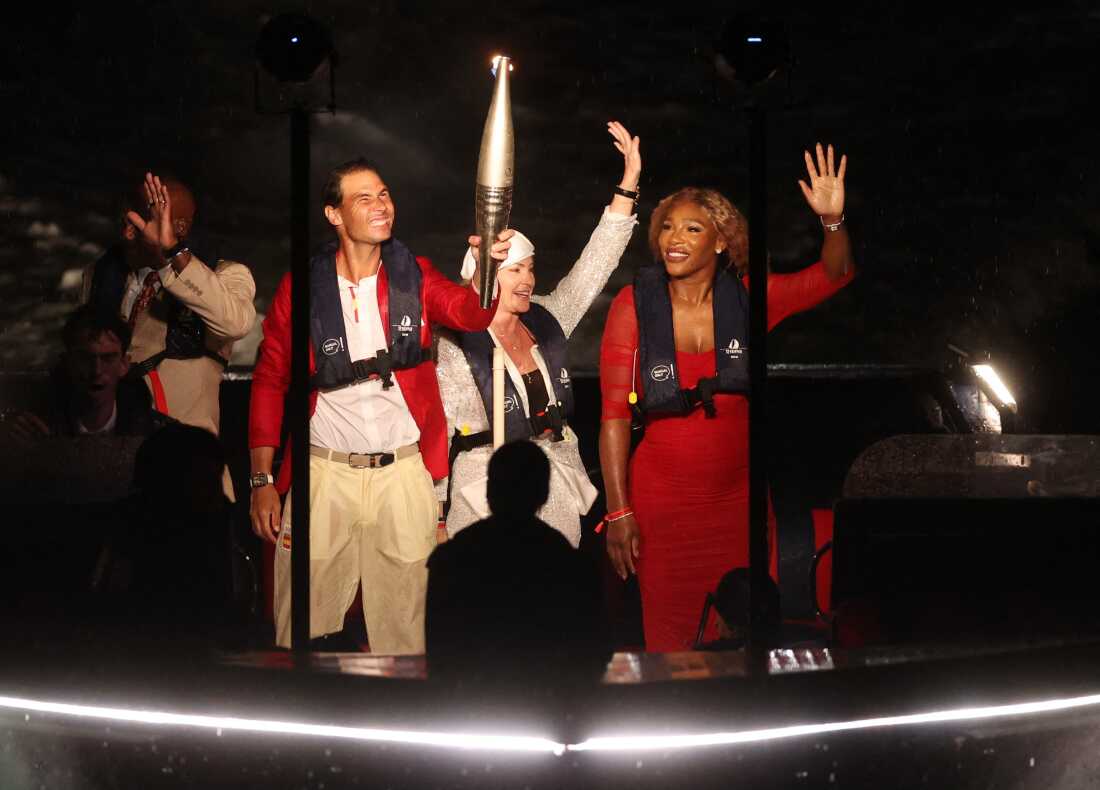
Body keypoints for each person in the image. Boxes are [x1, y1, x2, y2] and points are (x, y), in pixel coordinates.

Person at [248, 158, 512, 653]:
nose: (380, 205)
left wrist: (488, 270)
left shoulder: (415, 275)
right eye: (364, 198)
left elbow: (471, 314)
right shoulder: (300, 289)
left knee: (408, 631)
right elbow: (268, 379)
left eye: (385, 194)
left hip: (402, 476)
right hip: (323, 476)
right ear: (334, 214)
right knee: (301, 626)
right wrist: (263, 479)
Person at [599, 143, 856, 652]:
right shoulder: (634, 305)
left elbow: (835, 274)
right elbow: (611, 416)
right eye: (668, 227)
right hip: (662, 506)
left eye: (692, 229)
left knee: (742, 640)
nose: (675, 239)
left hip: (737, 507)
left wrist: (833, 220)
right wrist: (618, 513)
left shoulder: (748, 299)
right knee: (671, 647)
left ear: (720, 242)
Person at [436, 121, 642, 547]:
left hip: (553, 486)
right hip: (483, 495)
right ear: (484, 276)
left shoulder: (546, 318)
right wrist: (436, 516)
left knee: (553, 606)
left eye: (530, 267)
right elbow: (436, 434)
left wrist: (627, 187)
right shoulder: (454, 343)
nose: (527, 278)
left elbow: (592, 269)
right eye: (514, 269)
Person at [84, 173, 256, 442]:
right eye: (125, 219)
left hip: (188, 460)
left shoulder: (226, 276)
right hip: (116, 454)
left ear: (180, 227)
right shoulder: (99, 276)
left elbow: (236, 323)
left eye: (141, 219)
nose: (127, 231)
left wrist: (170, 256)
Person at [426, 441, 609, 687]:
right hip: (548, 701)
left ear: (489, 492)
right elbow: (596, 655)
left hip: (472, 701)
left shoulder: (450, 561)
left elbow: (438, 653)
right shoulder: (573, 566)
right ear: (544, 494)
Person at [1, 305, 172, 441]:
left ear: (123, 365)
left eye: (108, 358)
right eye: (84, 358)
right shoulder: (34, 425)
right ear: (67, 361)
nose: (96, 370)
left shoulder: (153, 432)